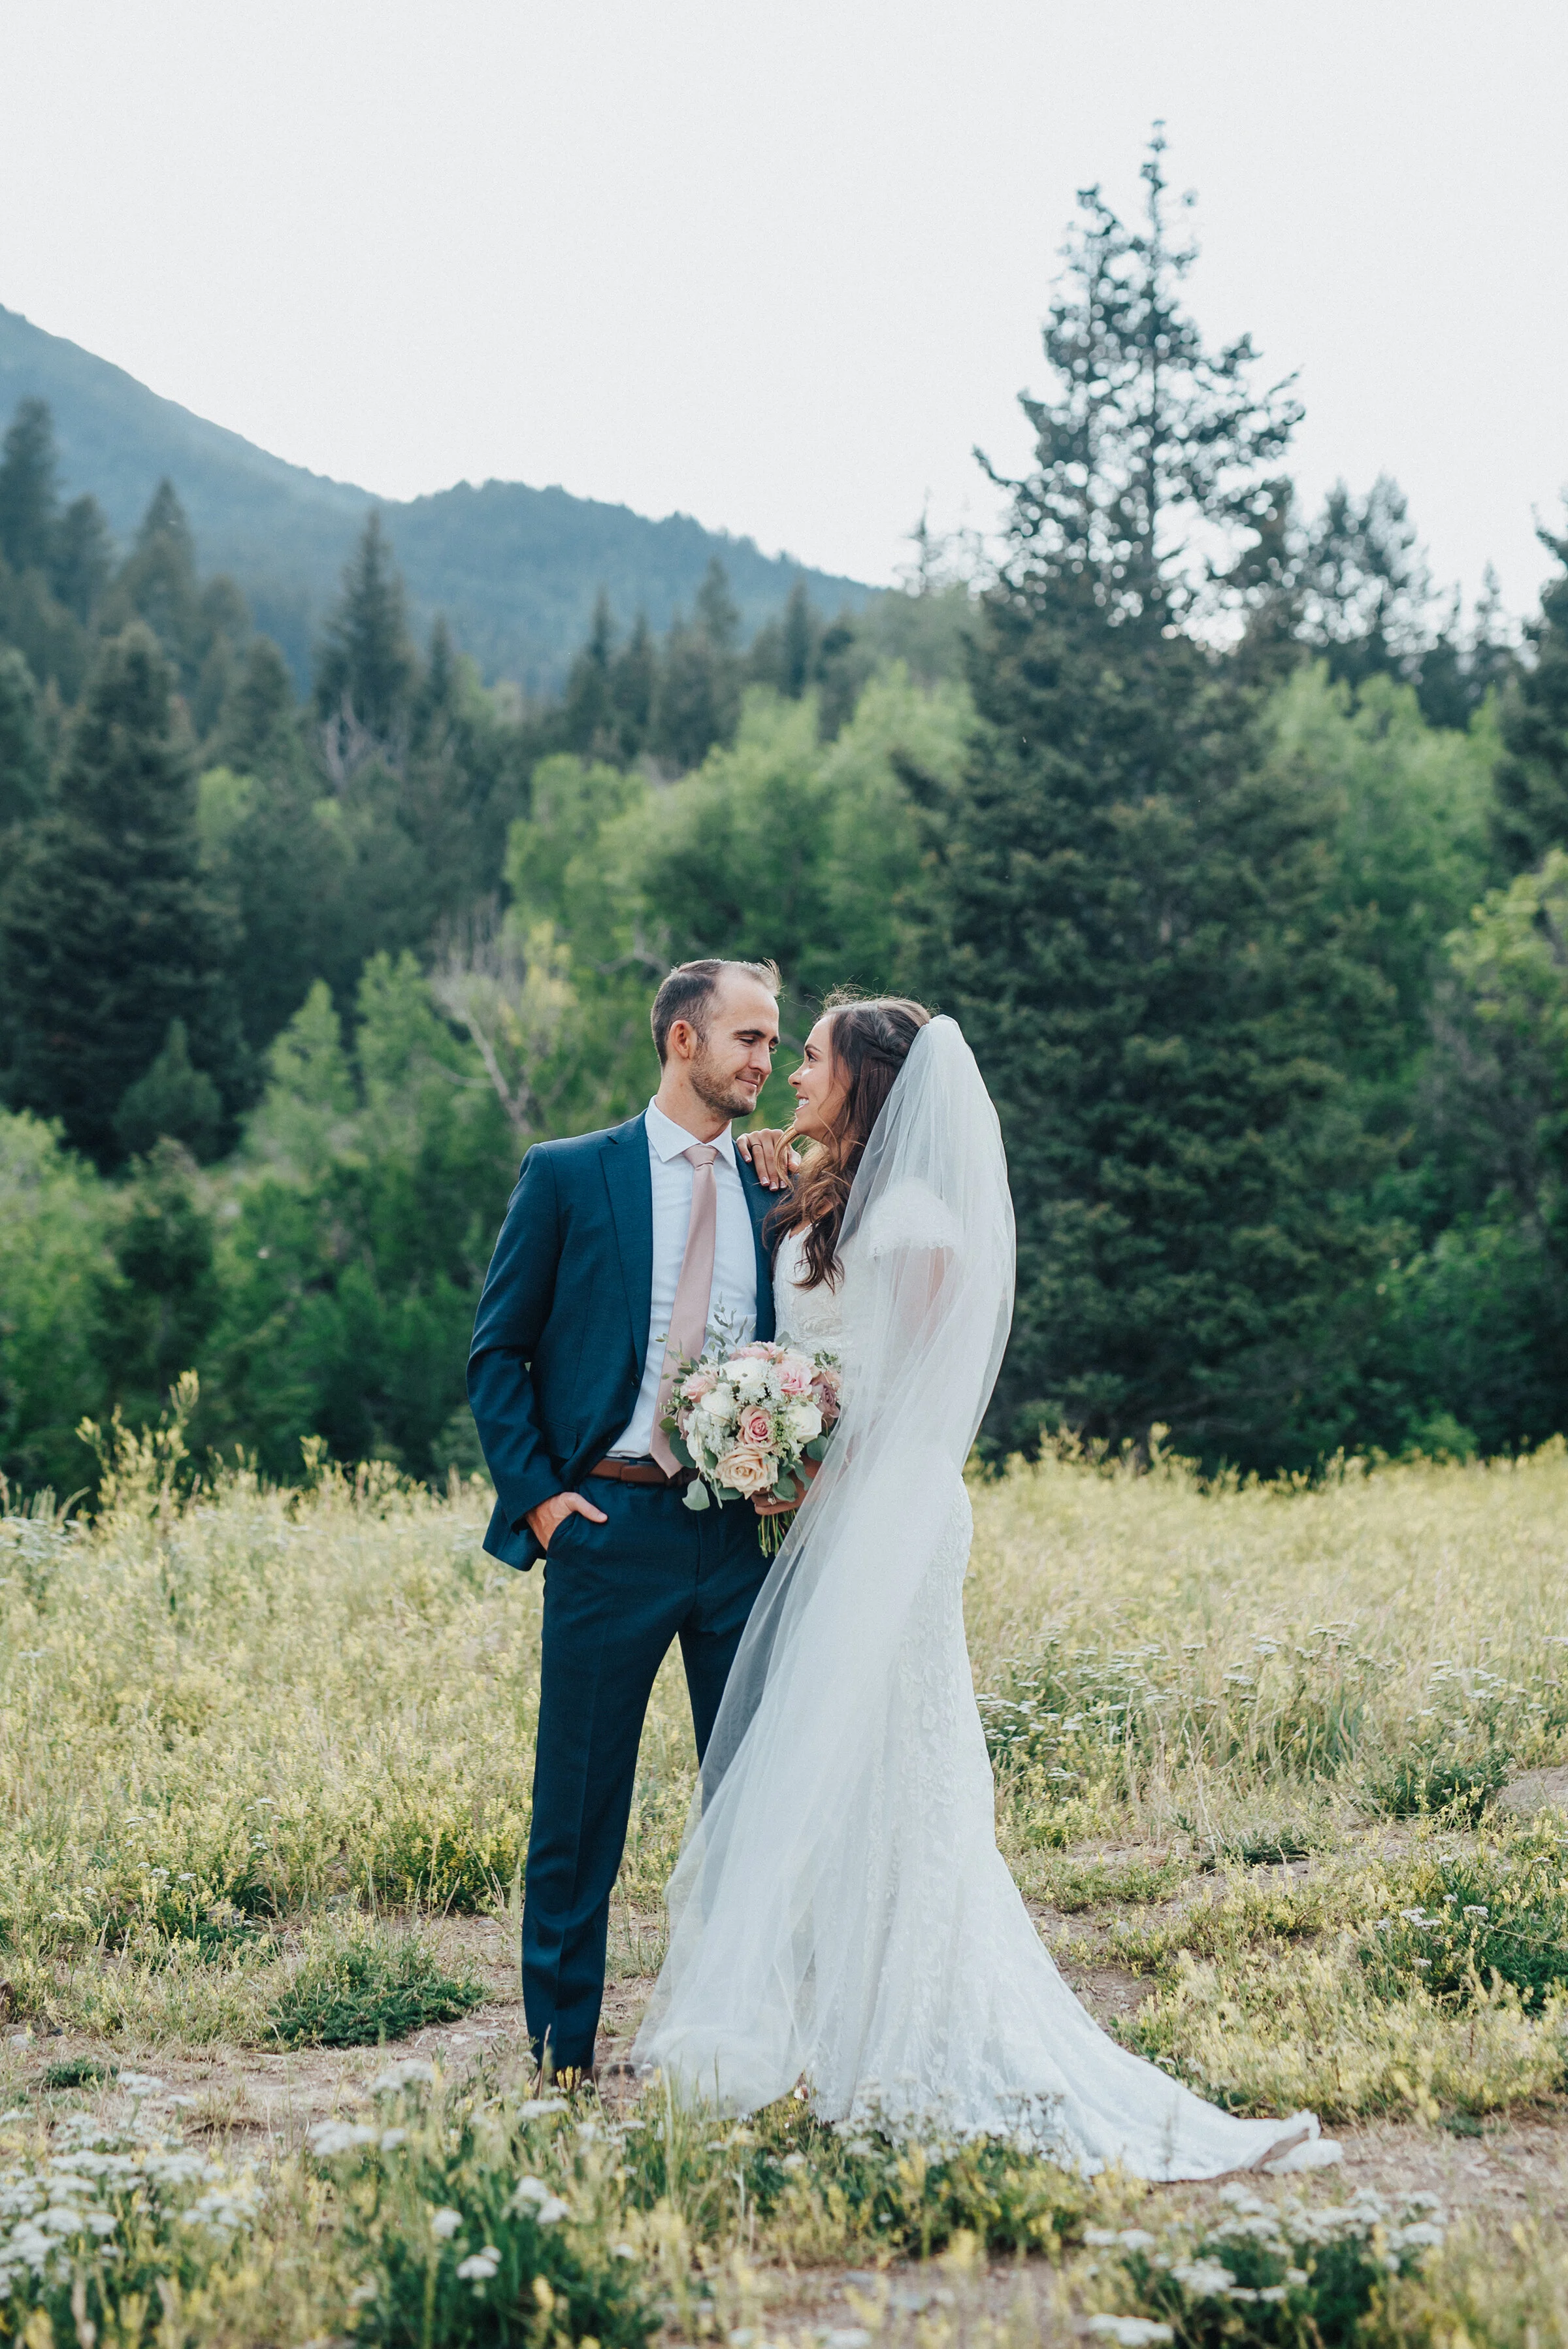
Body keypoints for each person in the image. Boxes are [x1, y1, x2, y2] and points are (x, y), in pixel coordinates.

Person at [636, 993, 1339, 2180]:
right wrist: (772, 1420)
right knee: (847, 1770)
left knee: (897, 1769)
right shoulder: (833, 1187)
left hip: (893, 1518)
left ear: (861, 1077)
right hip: (839, 1512)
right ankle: (851, 2044)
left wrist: (798, 1436)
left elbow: (920, 1391)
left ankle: (918, 2043)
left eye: (808, 1059)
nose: (792, 1076)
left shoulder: (914, 1215)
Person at [468, 957, 785, 2082]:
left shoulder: (773, 1183)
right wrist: (547, 1503)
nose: (767, 1060)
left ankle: (744, 2039)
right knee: (579, 1806)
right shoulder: (569, 1175)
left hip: (739, 1540)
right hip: (608, 1528)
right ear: (682, 1040)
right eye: (748, 1038)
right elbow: (496, 1351)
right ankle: (561, 2057)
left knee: (752, 1797)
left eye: (774, 1041)